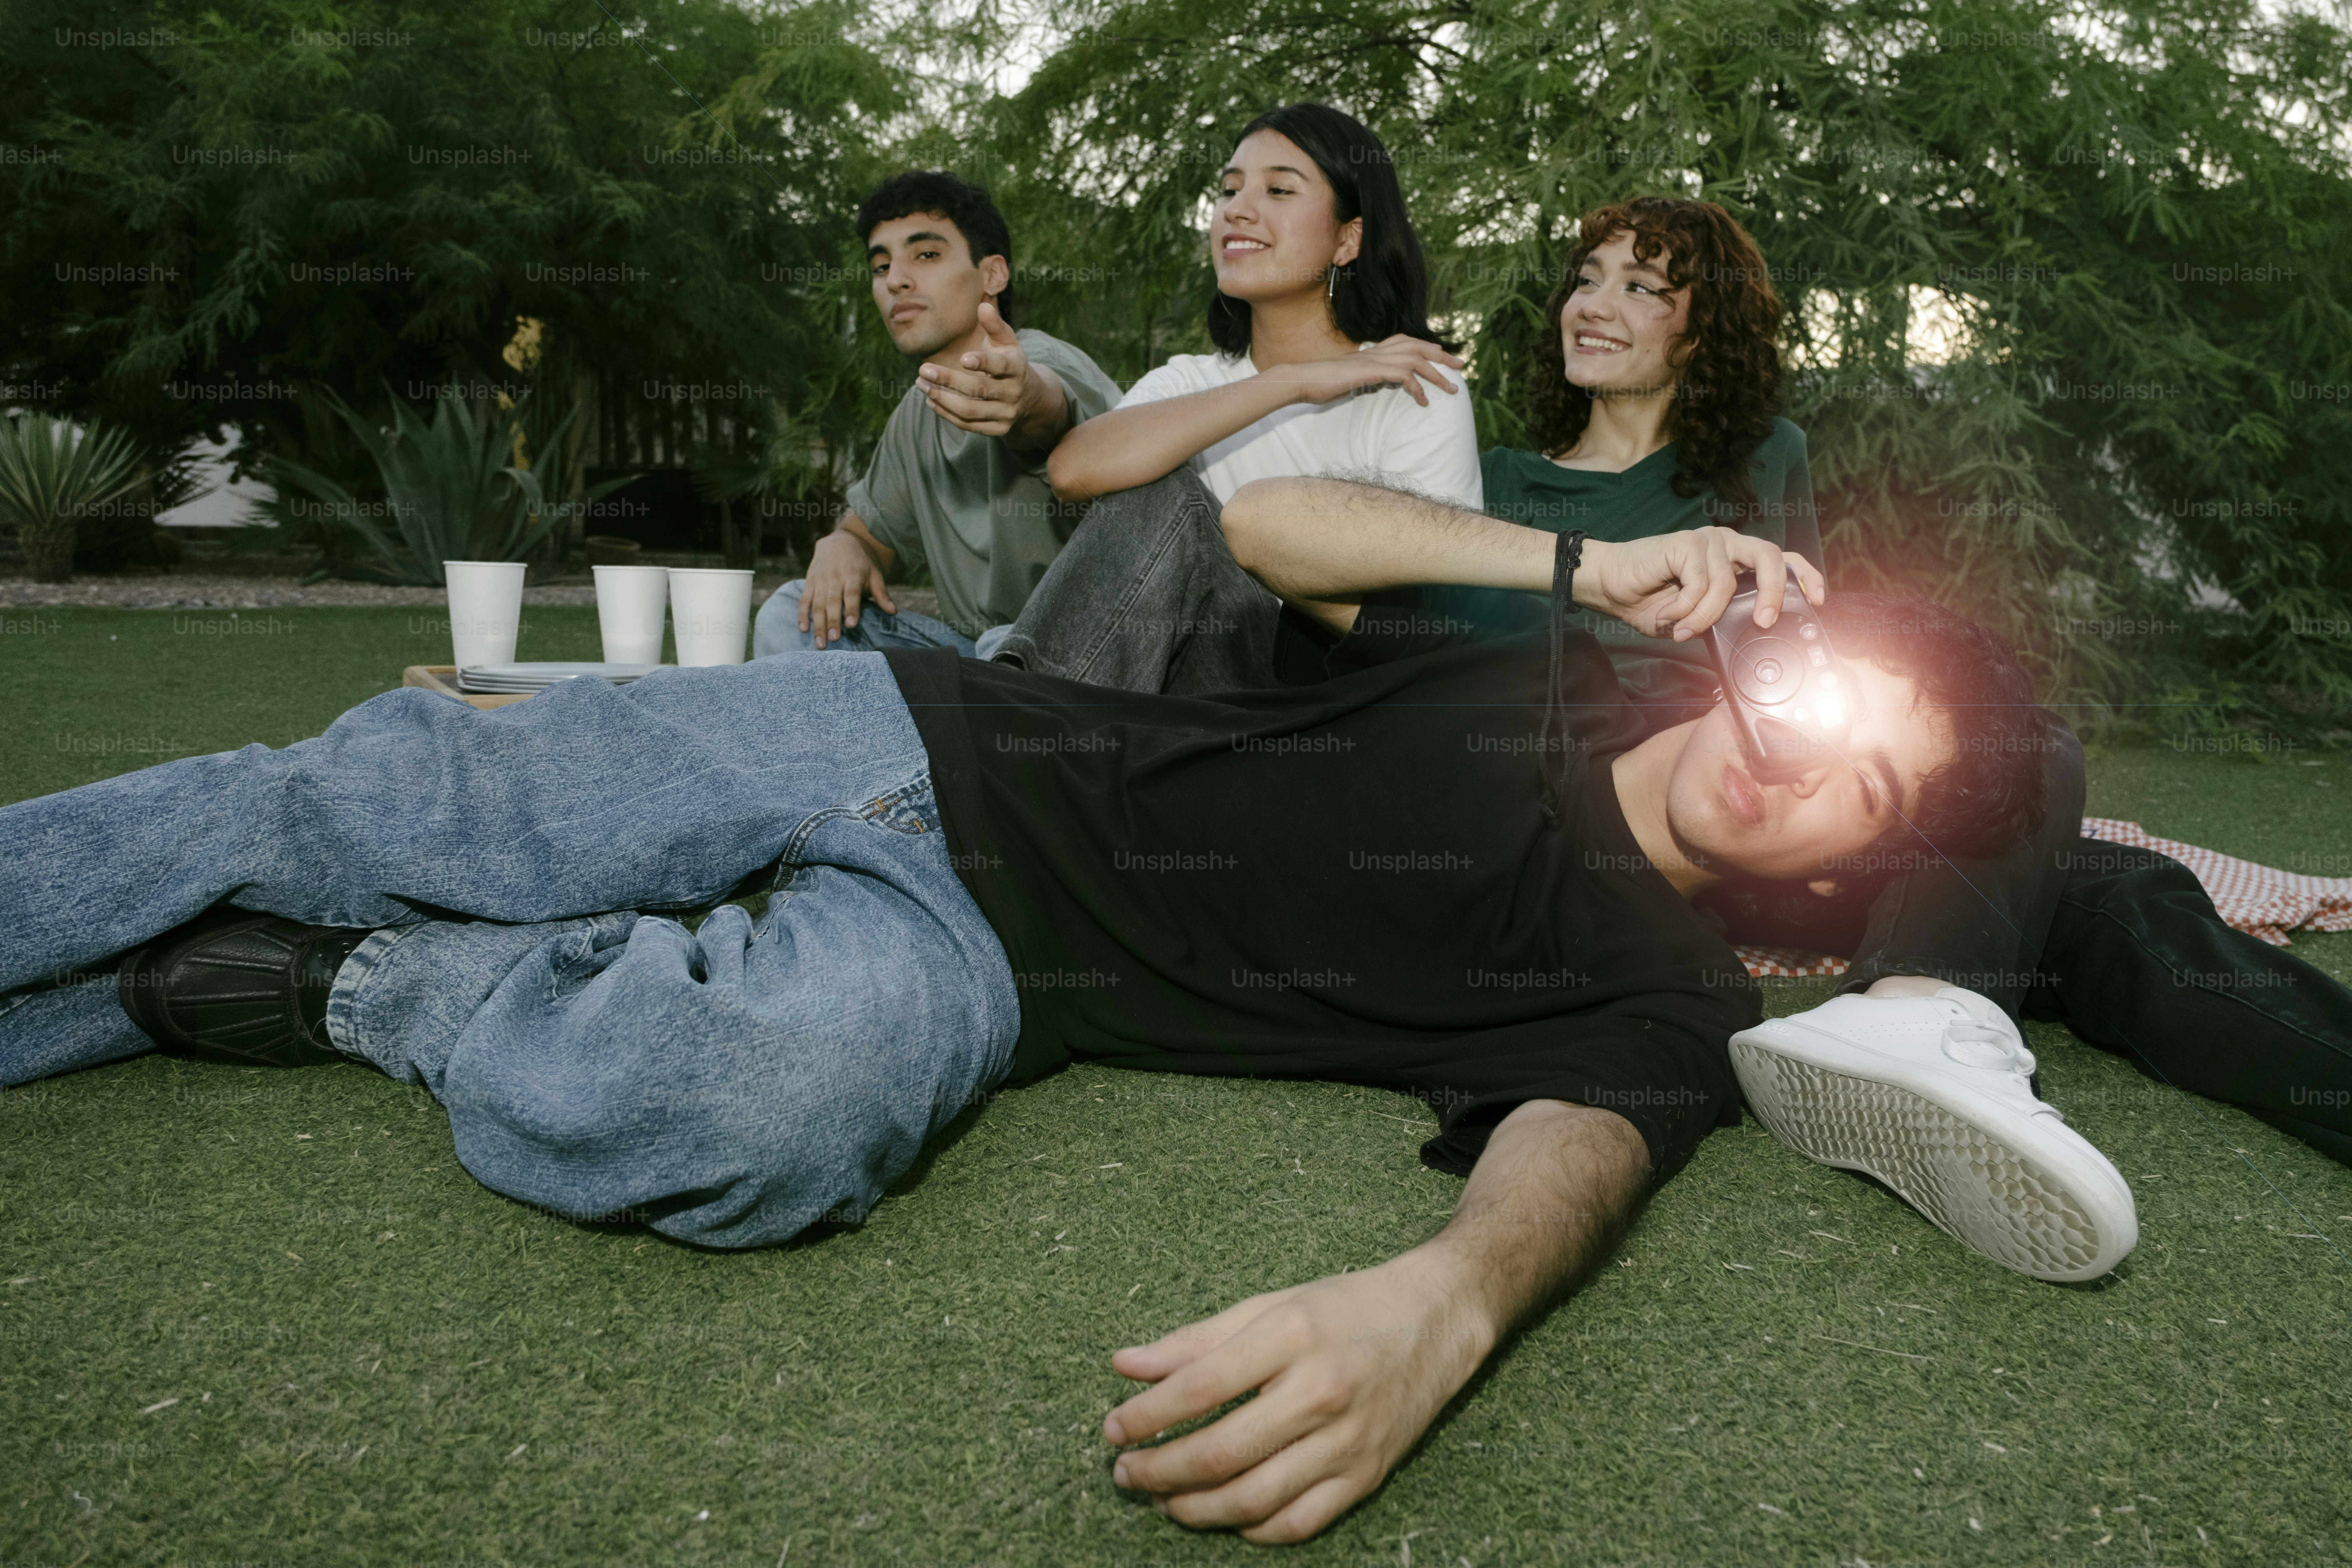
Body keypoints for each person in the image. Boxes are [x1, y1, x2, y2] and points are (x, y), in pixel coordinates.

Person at [1, 526, 2062, 1543]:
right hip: (916, 719)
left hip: (994, 972)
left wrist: (1442, 1305)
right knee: (365, 808)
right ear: (1765, 663)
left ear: (1838, 861)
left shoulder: (1669, 989)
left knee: (758, 1112)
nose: (1806, 769)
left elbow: (1587, 1146)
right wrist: (1584, 561)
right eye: (1832, 709)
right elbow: (1274, 528)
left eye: (1866, 793)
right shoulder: (1545, 650)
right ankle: (384, 892)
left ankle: (340, 988)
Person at [988, 193, 2352, 1264]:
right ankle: (1934, 991)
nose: (1600, 302)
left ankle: (1935, 1010)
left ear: (1706, 330)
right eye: (1590, 275)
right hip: (1516, 759)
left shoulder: (1756, 471)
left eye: (1647, 285)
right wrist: (1567, 575)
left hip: (1751, 793)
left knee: (2048, 798)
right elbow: (1317, 564)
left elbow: (1834, 669)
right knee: (2053, 846)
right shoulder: (1495, 476)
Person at [987, 101, 1478, 688]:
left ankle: (1006, 726)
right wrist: (1290, 382)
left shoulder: (1415, 386)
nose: (1237, 211)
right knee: (1159, 490)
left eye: (1279, 191)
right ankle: (1017, 722)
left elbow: (1428, 614)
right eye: (1228, 190)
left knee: (1174, 501)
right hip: (1190, 694)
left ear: (1348, 240)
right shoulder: (1192, 382)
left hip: (1333, 703)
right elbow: (1074, 469)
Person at [749, 170, 1123, 658]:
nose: (896, 280)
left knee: (1005, 642)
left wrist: (1026, 399)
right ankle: (893, 730)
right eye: (881, 267)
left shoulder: (1047, 363)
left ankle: (926, 726)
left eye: (926, 255)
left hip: (1094, 655)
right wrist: (844, 546)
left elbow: (1048, 408)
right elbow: (869, 537)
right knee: (790, 610)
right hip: (977, 658)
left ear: (992, 275)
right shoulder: (917, 411)